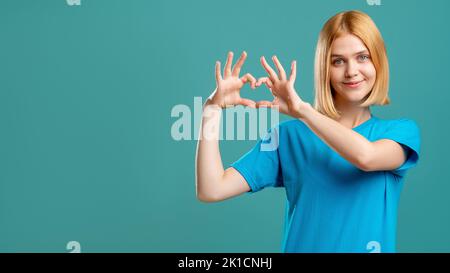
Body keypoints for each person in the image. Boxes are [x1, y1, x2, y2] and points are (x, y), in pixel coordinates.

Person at [195, 10, 420, 253]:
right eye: (338, 61)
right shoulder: (289, 137)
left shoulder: (399, 133)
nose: (351, 70)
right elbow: (211, 189)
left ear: (378, 61)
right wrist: (212, 108)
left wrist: (303, 111)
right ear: (325, 68)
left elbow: (366, 157)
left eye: (362, 57)